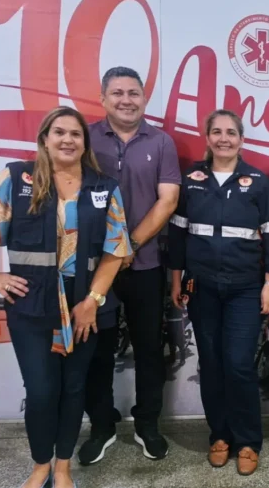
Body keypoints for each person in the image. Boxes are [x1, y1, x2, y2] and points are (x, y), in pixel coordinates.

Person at [0, 106, 131, 488]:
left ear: (85, 142)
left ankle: (63, 468)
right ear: (44, 140)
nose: (67, 139)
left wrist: (92, 301)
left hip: (84, 306)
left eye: (75, 134)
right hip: (31, 306)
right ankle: (40, 466)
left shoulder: (104, 187)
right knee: (41, 390)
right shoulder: (17, 178)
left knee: (74, 388)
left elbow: (116, 250)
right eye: (59, 132)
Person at [168, 109, 269, 475]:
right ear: (207, 138)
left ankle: (248, 440)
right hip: (201, 287)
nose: (223, 139)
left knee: (238, 364)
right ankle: (219, 435)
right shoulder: (191, 181)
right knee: (212, 363)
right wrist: (175, 280)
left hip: (245, 288)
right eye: (216, 132)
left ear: (241, 139)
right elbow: (177, 234)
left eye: (231, 132)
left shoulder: (259, 183)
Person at [79, 66, 180, 464]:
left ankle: (147, 424)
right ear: (103, 98)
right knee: (96, 350)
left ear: (144, 98)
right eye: (117, 93)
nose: (126, 100)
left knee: (149, 349)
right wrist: (112, 252)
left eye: (133, 93)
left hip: (146, 263)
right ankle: (101, 426)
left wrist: (129, 245)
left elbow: (168, 200)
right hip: (93, 266)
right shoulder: (84, 137)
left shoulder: (162, 141)